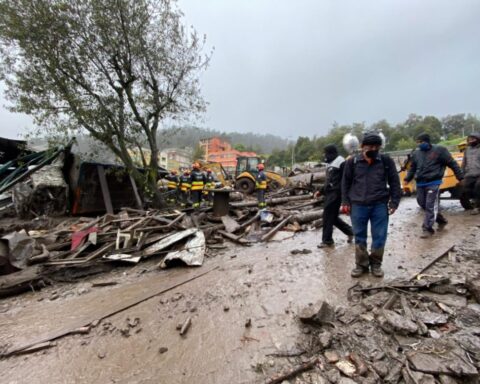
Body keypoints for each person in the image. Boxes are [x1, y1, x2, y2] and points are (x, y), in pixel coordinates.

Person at [341, 133, 401, 277]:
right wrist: (345, 202)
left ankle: (376, 264)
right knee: (359, 236)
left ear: (380, 148)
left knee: (379, 236)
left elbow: (394, 182)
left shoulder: (386, 161)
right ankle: (361, 265)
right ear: (362, 147)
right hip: (358, 205)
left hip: (379, 205)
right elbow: (345, 183)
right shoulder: (352, 162)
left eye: (376, 147)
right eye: (370, 147)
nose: (373, 149)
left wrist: (394, 202)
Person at [403, 133, 464, 237]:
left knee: (430, 204)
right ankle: (439, 218)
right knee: (422, 203)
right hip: (421, 182)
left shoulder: (440, 150)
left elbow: (452, 163)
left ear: (427, 142)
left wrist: (460, 177)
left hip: (434, 182)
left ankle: (427, 228)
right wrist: (407, 179)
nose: (419, 144)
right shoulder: (417, 153)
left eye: (421, 142)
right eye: (418, 142)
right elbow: (413, 167)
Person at [317, 144, 353, 248]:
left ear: (330, 153)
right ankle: (350, 231)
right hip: (329, 193)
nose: (324, 155)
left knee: (328, 216)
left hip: (336, 194)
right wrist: (321, 191)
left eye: (325, 153)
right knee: (331, 217)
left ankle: (327, 240)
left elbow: (346, 180)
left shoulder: (341, 161)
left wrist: (345, 197)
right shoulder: (330, 163)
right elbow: (328, 180)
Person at [461, 132, 480, 214]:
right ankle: (468, 205)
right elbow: (464, 163)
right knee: (463, 188)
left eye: (473, 139)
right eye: (469, 139)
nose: (471, 140)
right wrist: (461, 174)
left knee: (478, 187)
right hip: (469, 174)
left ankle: (477, 207)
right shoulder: (467, 150)